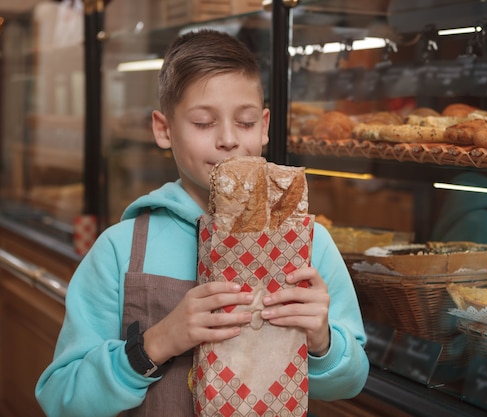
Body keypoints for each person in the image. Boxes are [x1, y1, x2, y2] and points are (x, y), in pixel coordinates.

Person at [35, 29, 369, 417]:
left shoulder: (309, 244)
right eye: (203, 122)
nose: (228, 140)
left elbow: (351, 381)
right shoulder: (120, 248)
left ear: (264, 127)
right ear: (164, 129)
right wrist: (155, 344)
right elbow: (61, 399)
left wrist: (323, 342)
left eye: (244, 122)